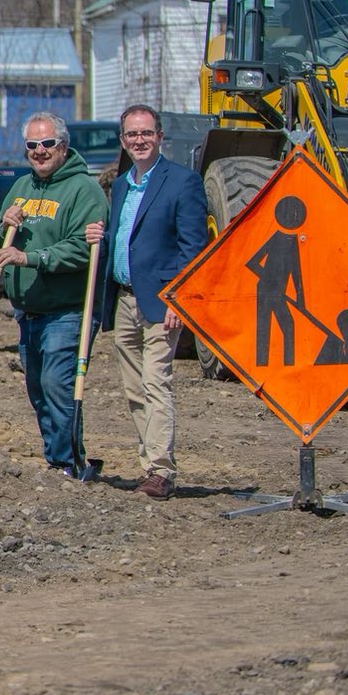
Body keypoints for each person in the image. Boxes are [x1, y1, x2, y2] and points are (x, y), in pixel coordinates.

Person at [84, 105, 209, 498]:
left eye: (146, 133)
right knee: (135, 389)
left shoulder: (183, 182)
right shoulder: (122, 185)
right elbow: (127, 238)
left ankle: (161, 471)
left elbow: (194, 248)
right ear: (123, 141)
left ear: (160, 137)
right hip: (123, 299)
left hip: (160, 302)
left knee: (156, 382)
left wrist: (179, 298)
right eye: (132, 135)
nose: (139, 141)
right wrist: (100, 237)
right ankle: (149, 465)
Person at [0, 112, 108, 476]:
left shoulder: (84, 190)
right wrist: (3, 225)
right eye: (32, 145)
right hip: (28, 310)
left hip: (67, 310)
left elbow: (81, 249)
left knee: (57, 386)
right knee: (38, 390)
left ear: (63, 146)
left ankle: (67, 462)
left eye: (47, 143)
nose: (39, 151)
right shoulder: (21, 187)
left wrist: (30, 258)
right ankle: (56, 458)